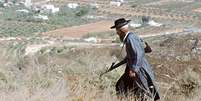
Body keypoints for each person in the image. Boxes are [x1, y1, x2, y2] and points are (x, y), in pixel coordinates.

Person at [110, 18, 160, 101]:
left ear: (121, 30)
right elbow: (140, 51)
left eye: (117, 31)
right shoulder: (130, 37)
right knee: (123, 87)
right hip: (135, 67)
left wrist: (134, 69)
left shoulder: (131, 38)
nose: (117, 33)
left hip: (139, 69)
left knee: (145, 91)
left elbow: (139, 54)